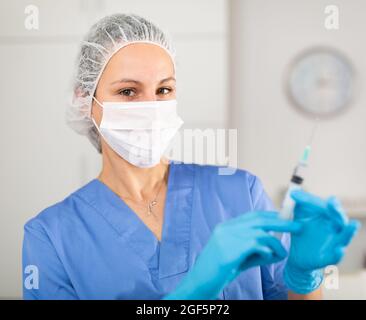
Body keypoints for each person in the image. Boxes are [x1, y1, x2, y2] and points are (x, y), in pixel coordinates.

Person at [22, 13, 360, 300]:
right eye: (128, 91)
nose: (151, 107)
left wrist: (304, 277)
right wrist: (194, 292)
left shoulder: (240, 192)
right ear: (87, 102)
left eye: (163, 90)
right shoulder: (51, 236)